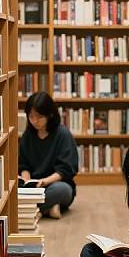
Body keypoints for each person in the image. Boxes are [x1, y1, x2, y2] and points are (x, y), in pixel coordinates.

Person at [19, 91, 78, 219]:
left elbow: (66, 169)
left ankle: (31, 209)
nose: (35, 121)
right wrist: (26, 180)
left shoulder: (62, 134)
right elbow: (23, 164)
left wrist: (44, 182)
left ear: (50, 115)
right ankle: (48, 207)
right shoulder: (28, 135)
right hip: (33, 186)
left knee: (63, 190)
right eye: (31, 116)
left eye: (39, 117)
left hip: (53, 184)